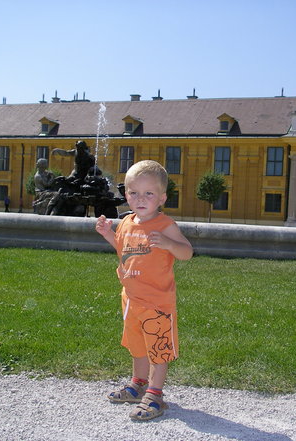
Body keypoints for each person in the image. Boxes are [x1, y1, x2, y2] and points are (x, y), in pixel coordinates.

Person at [95, 160, 193, 421]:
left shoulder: (165, 225)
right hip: (131, 300)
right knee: (137, 346)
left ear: (161, 198)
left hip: (157, 302)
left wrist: (169, 243)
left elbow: (187, 252)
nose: (141, 199)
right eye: (134, 193)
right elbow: (123, 249)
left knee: (158, 349)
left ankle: (155, 394)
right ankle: (137, 384)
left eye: (149, 193)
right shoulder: (127, 222)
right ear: (126, 194)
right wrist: (108, 234)